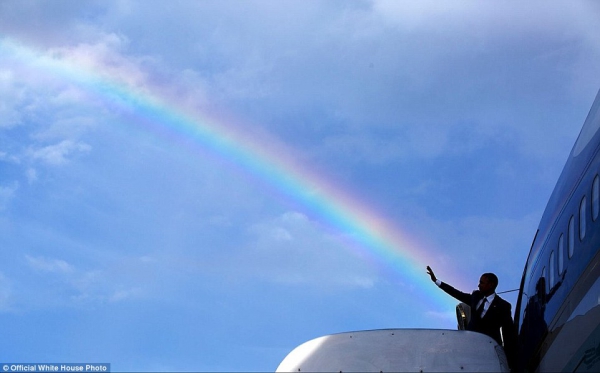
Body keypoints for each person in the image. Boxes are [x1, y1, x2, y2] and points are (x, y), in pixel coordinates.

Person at [426, 266, 516, 369]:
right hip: (470, 347)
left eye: (482, 283)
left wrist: (510, 364)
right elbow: (456, 293)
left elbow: (509, 335)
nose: (479, 285)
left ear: (491, 285)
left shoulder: (503, 306)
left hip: (489, 352)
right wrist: (436, 281)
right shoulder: (476, 296)